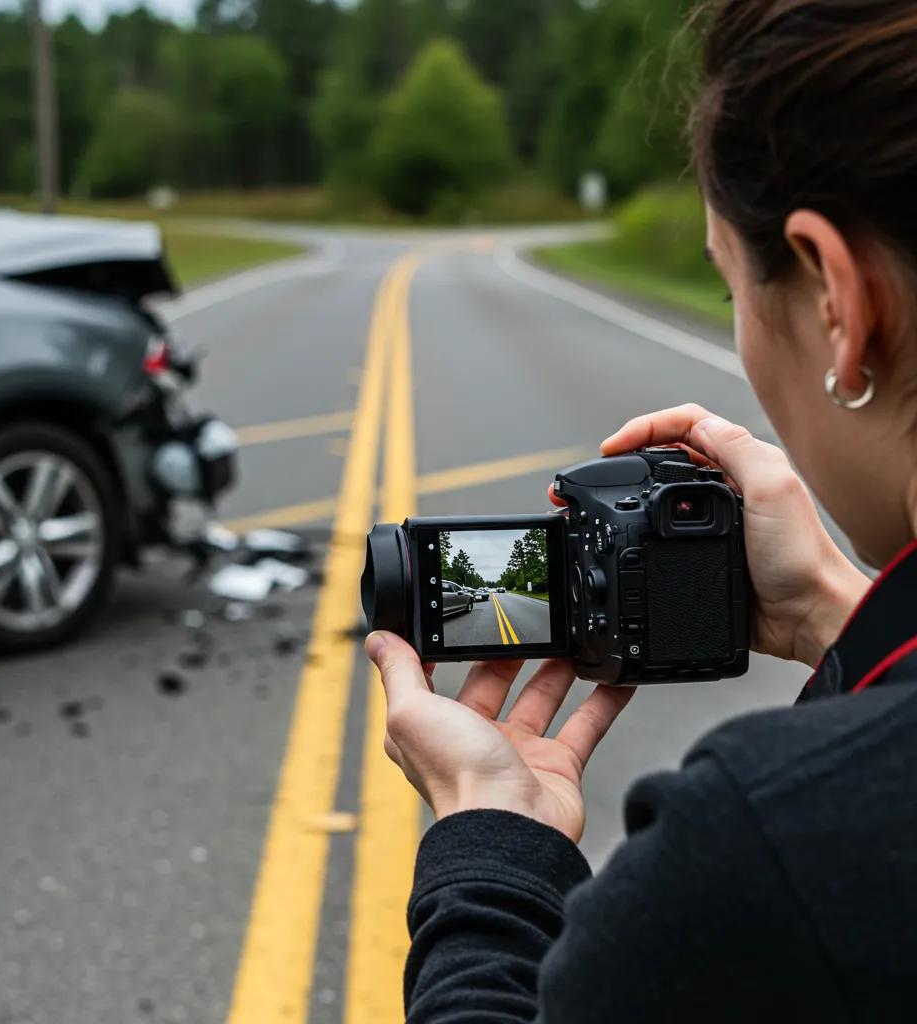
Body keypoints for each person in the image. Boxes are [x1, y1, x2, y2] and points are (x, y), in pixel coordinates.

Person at [365, 1, 917, 1019]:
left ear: (837, 299)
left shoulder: (773, 839)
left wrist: (489, 843)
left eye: (730, 293)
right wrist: (834, 617)